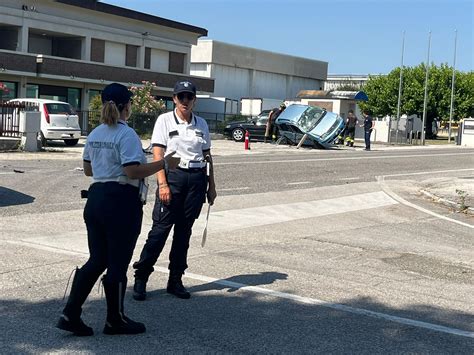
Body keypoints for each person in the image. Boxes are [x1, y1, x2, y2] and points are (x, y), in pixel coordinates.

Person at [56, 83, 179, 336]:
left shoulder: (95, 133)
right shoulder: (126, 134)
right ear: (126, 106)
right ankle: (115, 319)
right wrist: (163, 164)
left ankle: (70, 313)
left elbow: (89, 169)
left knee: (97, 259)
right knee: (118, 262)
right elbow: (132, 170)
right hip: (120, 201)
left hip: (96, 198)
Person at [132, 80, 217, 301]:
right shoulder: (164, 120)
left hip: (196, 180)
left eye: (189, 97)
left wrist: (212, 186)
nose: (185, 101)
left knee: (183, 233)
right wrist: (162, 184)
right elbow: (158, 155)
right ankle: (141, 277)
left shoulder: (201, 124)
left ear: (194, 100)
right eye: (181, 97)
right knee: (160, 231)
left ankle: (175, 280)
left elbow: (207, 156)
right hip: (173, 178)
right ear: (174, 99)